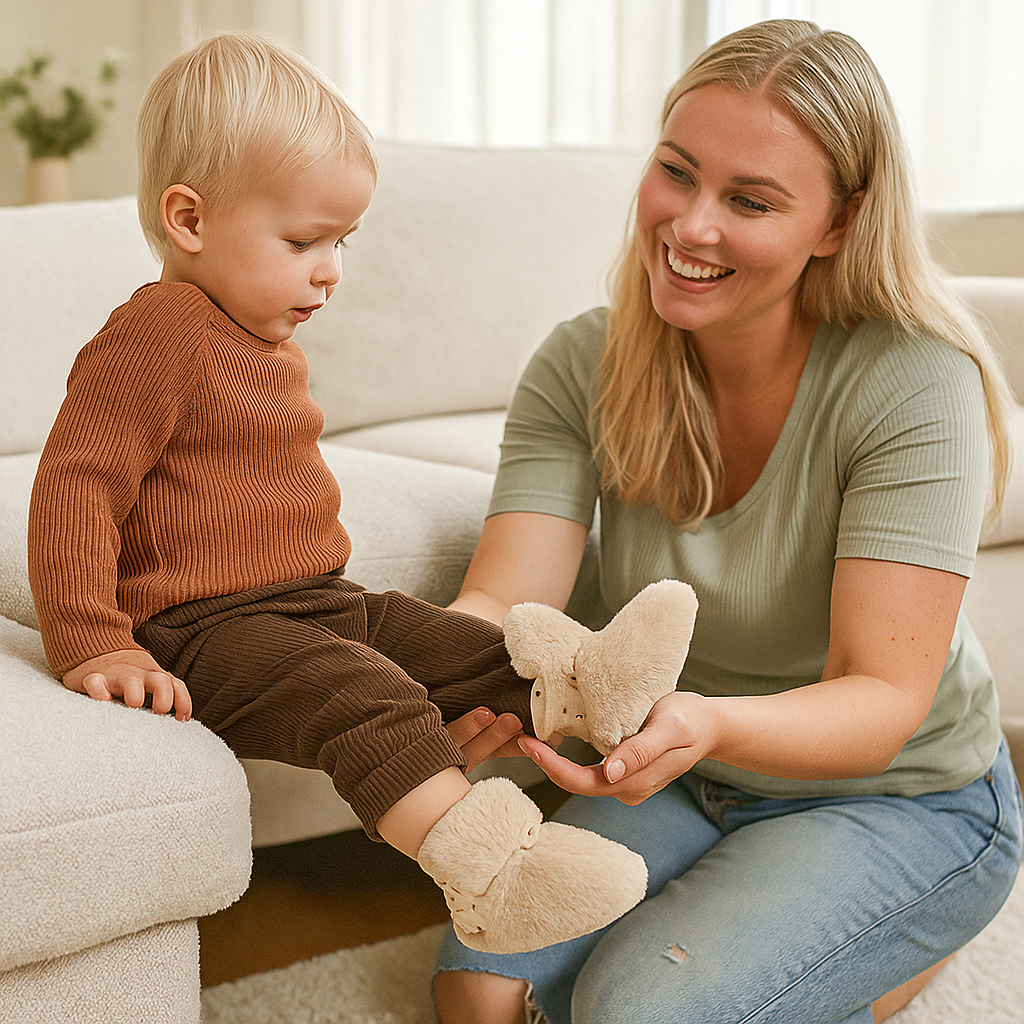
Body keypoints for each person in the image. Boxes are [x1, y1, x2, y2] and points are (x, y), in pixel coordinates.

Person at [432, 18, 1023, 1024]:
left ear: (837, 224)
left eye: (748, 201)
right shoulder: (585, 360)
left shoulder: (914, 379)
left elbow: (881, 696)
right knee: (482, 992)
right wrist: (433, 682)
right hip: (684, 771)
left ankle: (892, 941)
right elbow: (507, 594)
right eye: (676, 172)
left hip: (897, 792)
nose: (689, 225)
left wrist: (704, 723)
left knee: (632, 1011)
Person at [26, 30, 651, 956]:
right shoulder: (160, 327)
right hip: (203, 630)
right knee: (359, 693)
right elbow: (74, 486)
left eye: (341, 242)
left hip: (313, 602)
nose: (331, 271)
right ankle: (492, 878)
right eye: (305, 241)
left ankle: (592, 693)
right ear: (189, 220)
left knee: (453, 645)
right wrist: (90, 640)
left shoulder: (259, 335)